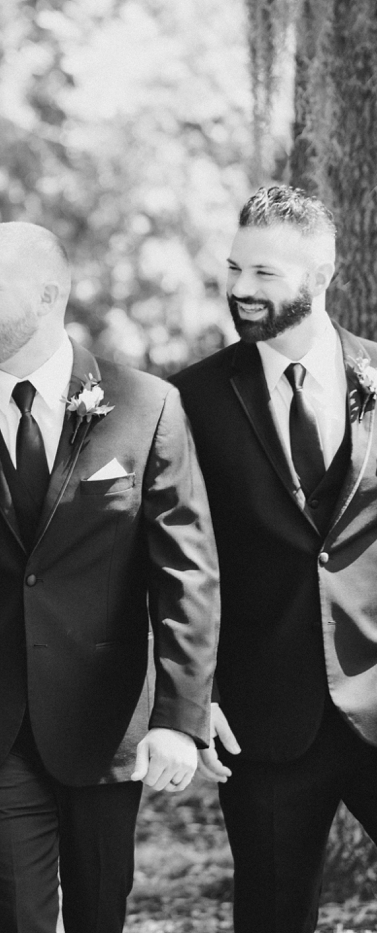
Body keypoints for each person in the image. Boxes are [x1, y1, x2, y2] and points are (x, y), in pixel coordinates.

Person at [0, 222, 219, 933]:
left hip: (105, 724)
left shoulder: (146, 406)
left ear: (49, 296)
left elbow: (186, 577)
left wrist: (181, 721)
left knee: (99, 916)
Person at [171, 185, 377, 933]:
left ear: (321, 276)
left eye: (264, 273)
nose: (242, 288)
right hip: (259, 716)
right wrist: (193, 696)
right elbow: (176, 562)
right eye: (235, 268)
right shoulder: (190, 399)